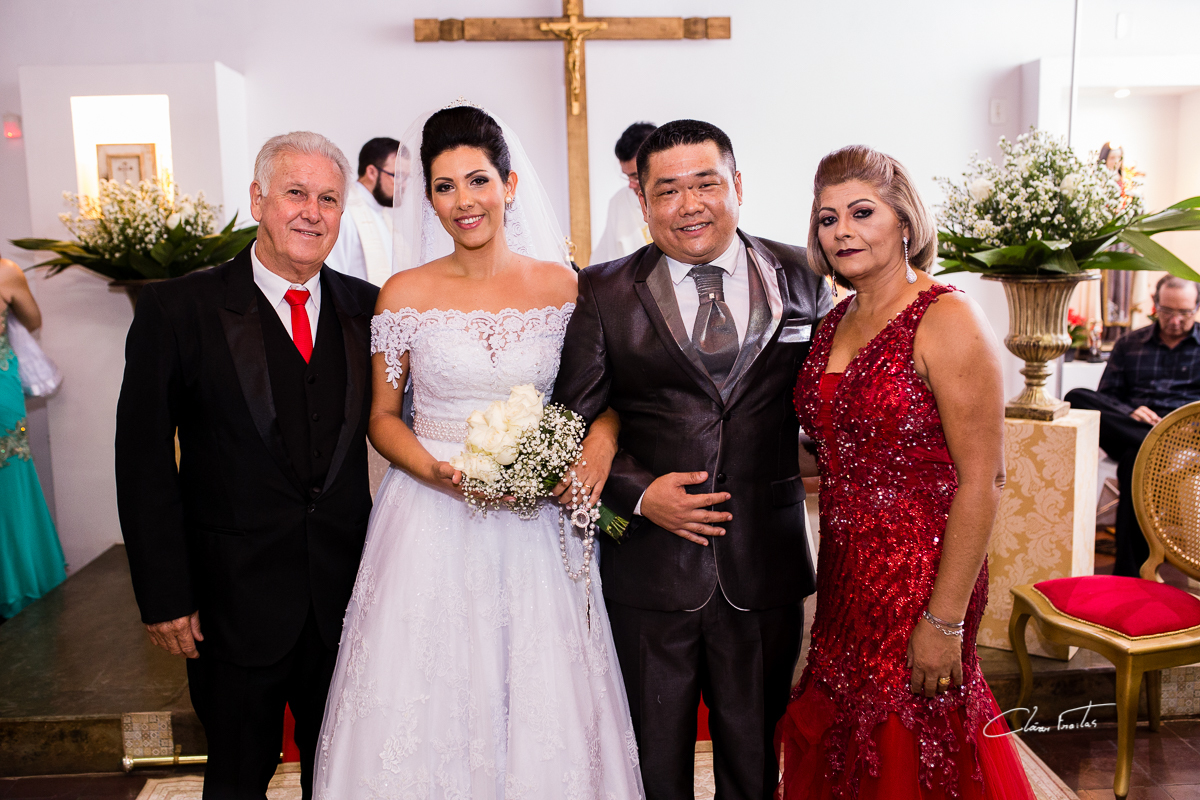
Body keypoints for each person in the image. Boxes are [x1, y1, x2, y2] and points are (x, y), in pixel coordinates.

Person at [314, 103, 643, 799]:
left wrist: (598, 445)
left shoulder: (566, 286)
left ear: (510, 184)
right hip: (430, 514)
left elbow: (604, 395)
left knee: (538, 685)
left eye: (477, 180)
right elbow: (381, 416)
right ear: (426, 198)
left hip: (539, 521)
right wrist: (438, 472)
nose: (464, 200)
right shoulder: (403, 294)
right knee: (426, 688)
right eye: (443, 186)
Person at [553, 119, 831, 800]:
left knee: (754, 757)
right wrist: (643, 495)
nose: (689, 204)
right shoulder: (604, 290)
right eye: (667, 190)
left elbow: (827, 401)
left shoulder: (803, 274)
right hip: (649, 568)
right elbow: (566, 425)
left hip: (762, 561)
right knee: (655, 762)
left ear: (736, 185)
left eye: (705, 183)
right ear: (643, 204)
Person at [116, 132, 379, 799]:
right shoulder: (178, 310)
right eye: (296, 193)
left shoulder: (371, 308)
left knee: (346, 775)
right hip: (231, 603)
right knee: (236, 776)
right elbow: (143, 461)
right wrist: (165, 595)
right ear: (259, 199)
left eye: (328, 199)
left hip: (348, 598)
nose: (312, 213)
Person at [777, 145, 1034, 800]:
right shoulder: (834, 321)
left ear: (904, 222)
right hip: (844, 578)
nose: (843, 231)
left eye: (862, 212)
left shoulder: (946, 317)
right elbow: (834, 448)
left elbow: (985, 479)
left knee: (912, 737)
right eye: (828, 218)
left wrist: (943, 621)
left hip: (922, 581)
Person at [1066, 275, 1200, 576]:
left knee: (1133, 461)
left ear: (1196, 309)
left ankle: (1129, 573)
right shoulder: (1130, 344)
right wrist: (1130, 411)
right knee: (1075, 396)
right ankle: (1146, 440)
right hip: (1132, 427)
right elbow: (1104, 398)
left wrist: (1181, 425)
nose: (1176, 320)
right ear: (1155, 306)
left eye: (1185, 313)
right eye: (1167, 311)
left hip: (1185, 438)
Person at [0, 256, 66, 620]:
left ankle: (13, 580)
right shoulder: (5, 271)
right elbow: (32, 320)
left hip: (0, 389)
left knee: (10, 476)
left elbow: (32, 322)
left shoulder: (6, 271)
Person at [325, 137, 408, 286]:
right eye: (398, 176)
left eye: (407, 178)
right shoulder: (344, 210)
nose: (403, 185)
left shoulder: (383, 216)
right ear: (371, 172)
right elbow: (333, 272)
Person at [590, 121, 656, 266]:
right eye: (627, 176)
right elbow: (606, 264)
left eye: (636, 176)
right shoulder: (619, 202)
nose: (631, 184)